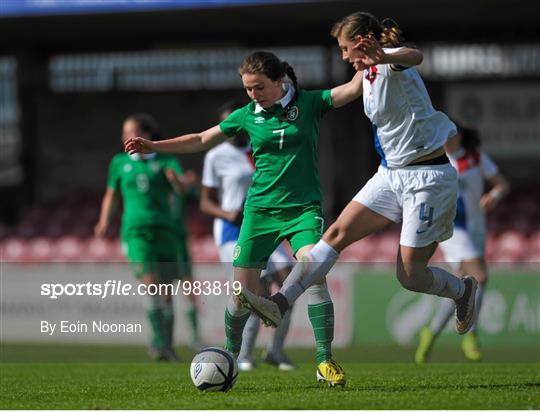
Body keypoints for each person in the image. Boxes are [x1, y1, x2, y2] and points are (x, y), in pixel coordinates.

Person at [125, 50, 365, 386]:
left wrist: (374, 59)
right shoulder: (246, 115)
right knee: (240, 295)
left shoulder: (311, 103)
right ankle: (230, 357)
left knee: (315, 272)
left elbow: (353, 89)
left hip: (302, 209)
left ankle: (325, 361)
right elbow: (200, 139)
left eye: (258, 87)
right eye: (248, 89)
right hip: (259, 212)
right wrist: (155, 146)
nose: (253, 95)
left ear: (279, 81)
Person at [237, 12, 479, 341]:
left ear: (364, 42)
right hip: (391, 175)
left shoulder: (393, 62)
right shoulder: (365, 75)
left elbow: (415, 55)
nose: (343, 56)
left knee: (409, 275)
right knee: (335, 235)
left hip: (428, 178)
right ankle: (279, 303)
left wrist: (384, 54)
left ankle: (461, 290)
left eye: (345, 48)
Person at [95, 113, 201, 361]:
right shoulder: (119, 163)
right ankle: (160, 345)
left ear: (147, 135)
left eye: (129, 131)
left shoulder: (166, 160)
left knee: (165, 290)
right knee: (151, 284)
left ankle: (165, 344)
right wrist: (103, 221)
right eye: (124, 132)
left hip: (165, 232)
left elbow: (184, 190)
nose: (124, 137)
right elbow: (111, 194)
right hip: (136, 232)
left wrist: (180, 183)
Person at [200, 100, 296, 371]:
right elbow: (205, 202)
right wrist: (225, 212)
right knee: (257, 291)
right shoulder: (215, 156)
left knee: (290, 284)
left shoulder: (259, 147)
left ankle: (275, 351)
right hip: (232, 231)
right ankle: (243, 355)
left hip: (262, 226)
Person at [415, 123, 509, 363]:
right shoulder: (437, 160)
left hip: (476, 229)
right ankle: (472, 334)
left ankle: (431, 332)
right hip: (452, 229)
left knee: (463, 286)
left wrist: (492, 196)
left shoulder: (476, 158)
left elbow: (502, 185)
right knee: (481, 275)